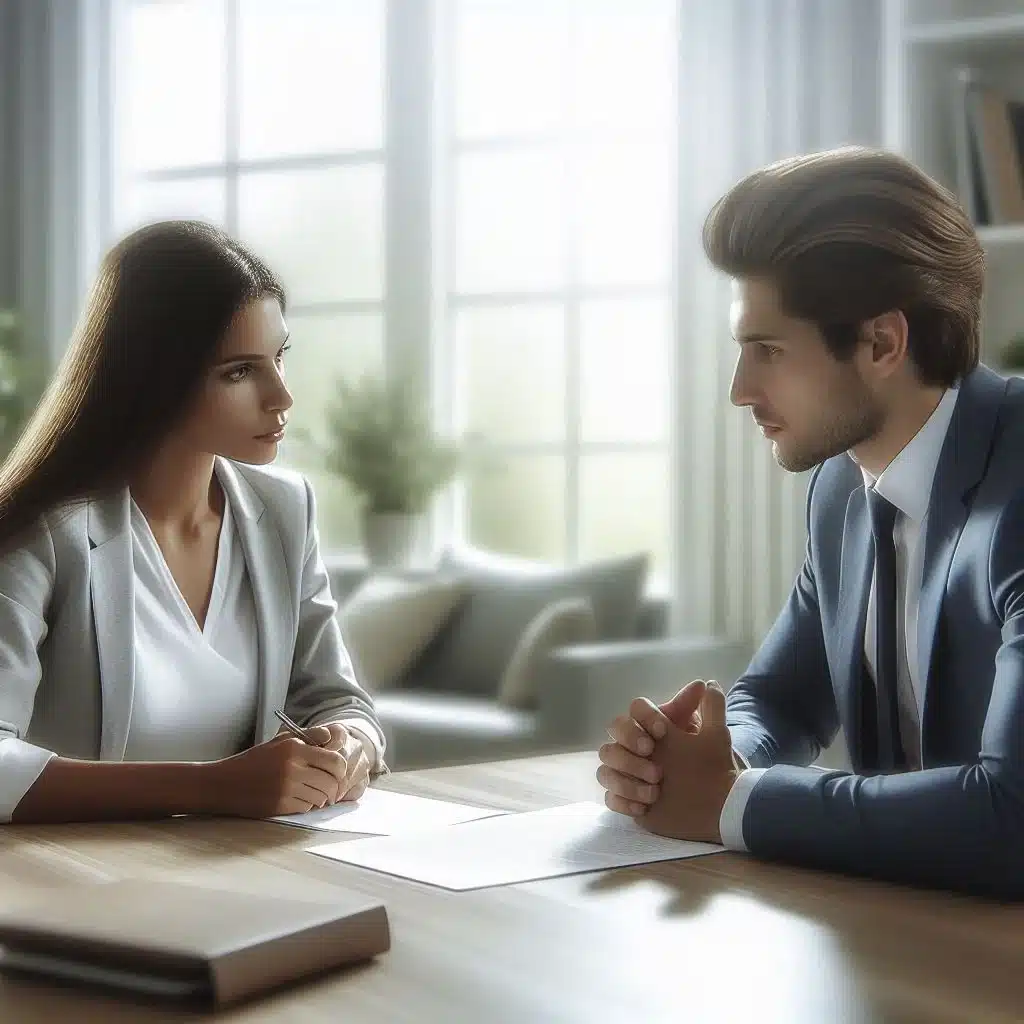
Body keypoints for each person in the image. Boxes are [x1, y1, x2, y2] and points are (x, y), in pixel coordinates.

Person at [597, 146, 1024, 899]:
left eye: (768, 350)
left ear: (882, 343)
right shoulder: (840, 488)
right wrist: (704, 758)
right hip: (914, 932)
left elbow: (1013, 814)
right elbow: (783, 696)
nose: (739, 389)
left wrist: (731, 803)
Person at [0, 220, 386, 824]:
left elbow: (335, 699)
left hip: (243, 868)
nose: (281, 396)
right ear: (153, 377)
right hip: (76, 886)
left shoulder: (284, 510)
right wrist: (210, 788)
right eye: (239, 371)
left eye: (279, 357)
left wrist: (351, 745)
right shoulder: (44, 532)